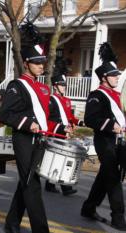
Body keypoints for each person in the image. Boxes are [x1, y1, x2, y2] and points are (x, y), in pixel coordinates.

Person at [0, 22, 69, 233]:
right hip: (24, 140)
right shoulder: (17, 86)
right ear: (27, 63)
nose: (41, 66)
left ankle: (11, 224)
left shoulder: (43, 88)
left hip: (40, 141)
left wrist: (61, 129)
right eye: (37, 63)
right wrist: (29, 124)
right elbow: (5, 114)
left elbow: (44, 119)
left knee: (27, 183)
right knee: (32, 186)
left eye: (42, 63)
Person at [81, 42, 126, 230]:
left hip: (118, 142)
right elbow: (90, 118)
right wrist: (111, 125)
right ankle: (118, 218)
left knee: (105, 176)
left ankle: (88, 207)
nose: (117, 78)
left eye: (117, 75)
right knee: (114, 179)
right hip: (105, 141)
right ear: (104, 78)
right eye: (114, 75)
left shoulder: (115, 95)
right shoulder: (97, 95)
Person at [45, 58, 83, 196]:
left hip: (65, 133)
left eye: (64, 85)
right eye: (61, 85)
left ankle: (51, 185)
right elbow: (46, 119)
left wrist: (80, 122)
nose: (64, 87)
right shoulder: (50, 100)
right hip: (55, 133)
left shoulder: (66, 100)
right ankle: (63, 187)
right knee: (59, 160)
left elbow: (70, 117)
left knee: (61, 160)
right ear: (55, 86)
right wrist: (61, 128)